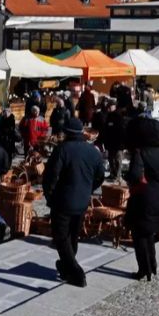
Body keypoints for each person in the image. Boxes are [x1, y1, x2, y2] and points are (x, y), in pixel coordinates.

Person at [42, 118, 106, 287]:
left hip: (63, 201)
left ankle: (77, 272)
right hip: (82, 200)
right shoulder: (92, 151)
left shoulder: (62, 150)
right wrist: (89, 188)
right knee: (72, 235)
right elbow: (100, 175)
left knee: (61, 237)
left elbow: (50, 177)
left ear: (67, 133)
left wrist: (50, 196)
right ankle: (65, 267)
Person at [125, 117, 159, 279]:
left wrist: (128, 177)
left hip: (144, 198)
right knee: (150, 233)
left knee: (139, 235)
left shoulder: (140, 152)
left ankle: (145, 269)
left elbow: (135, 174)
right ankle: (153, 265)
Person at [102, 102, 126, 180]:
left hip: (118, 142)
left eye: (110, 106)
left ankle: (118, 176)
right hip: (110, 142)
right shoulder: (108, 116)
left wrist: (123, 143)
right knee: (111, 159)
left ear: (115, 106)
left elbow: (122, 131)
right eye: (108, 106)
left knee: (118, 159)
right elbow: (105, 130)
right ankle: (113, 174)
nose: (109, 108)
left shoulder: (119, 116)